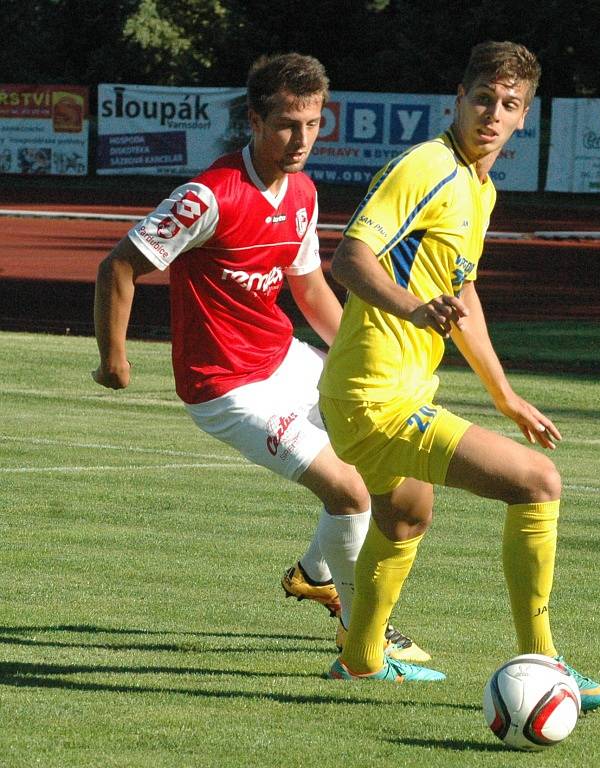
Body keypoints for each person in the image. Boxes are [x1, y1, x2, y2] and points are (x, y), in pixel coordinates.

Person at [91, 52, 427, 663]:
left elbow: (309, 288)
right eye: (286, 124)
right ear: (254, 119)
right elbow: (119, 263)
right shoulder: (207, 197)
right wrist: (114, 358)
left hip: (285, 359)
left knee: (388, 453)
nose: (301, 139)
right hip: (226, 387)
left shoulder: (301, 191)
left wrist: (361, 353)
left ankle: (315, 572)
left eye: (313, 123)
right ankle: (363, 635)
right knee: (350, 491)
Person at [318, 40, 600, 709]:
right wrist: (411, 307)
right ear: (458, 98)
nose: (492, 112)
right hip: (373, 397)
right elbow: (349, 259)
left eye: (509, 104)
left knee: (405, 516)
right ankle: (545, 660)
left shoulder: (480, 189)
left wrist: (503, 393)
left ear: (523, 118)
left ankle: (361, 660)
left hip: (397, 389)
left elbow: (464, 293)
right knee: (537, 482)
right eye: (483, 97)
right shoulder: (427, 166)